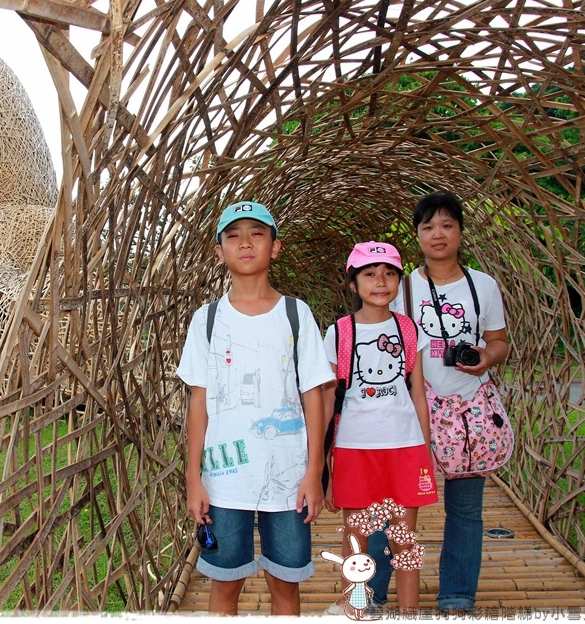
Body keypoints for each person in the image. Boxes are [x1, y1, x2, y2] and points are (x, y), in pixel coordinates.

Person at [177, 200, 334, 616]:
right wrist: (194, 477)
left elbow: (312, 396)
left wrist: (313, 472)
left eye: (257, 233)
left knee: (286, 584)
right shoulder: (206, 320)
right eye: (233, 235)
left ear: (275, 247)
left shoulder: (295, 314)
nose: (245, 243)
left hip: (288, 482)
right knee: (225, 587)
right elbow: (199, 402)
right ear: (219, 252)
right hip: (225, 481)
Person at [374, 191, 510, 614]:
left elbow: (499, 341)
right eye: (429, 226)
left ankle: (456, 596)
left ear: (461, 232)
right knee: (393, 504)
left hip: (469, 410)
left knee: (466, 510)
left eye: (447, 225)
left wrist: (486, 357)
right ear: (416, 235)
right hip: (414, 412)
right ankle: (375, 591)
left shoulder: (482, 285)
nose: (438, 234)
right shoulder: (402, 287)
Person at [320, 241, 437, 617]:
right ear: (353, 284)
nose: (380, 281)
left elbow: (418, 392)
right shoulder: (339, 333)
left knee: (403, 537)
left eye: (389, 273)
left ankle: (409, 612)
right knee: (357, 540)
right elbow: (327, 401)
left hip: (405, 446)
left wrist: (426, 448)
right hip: (355, 448)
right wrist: (324, 465)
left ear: (399, 281)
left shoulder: (409, 330)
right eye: (369, 274)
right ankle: (354, 608)